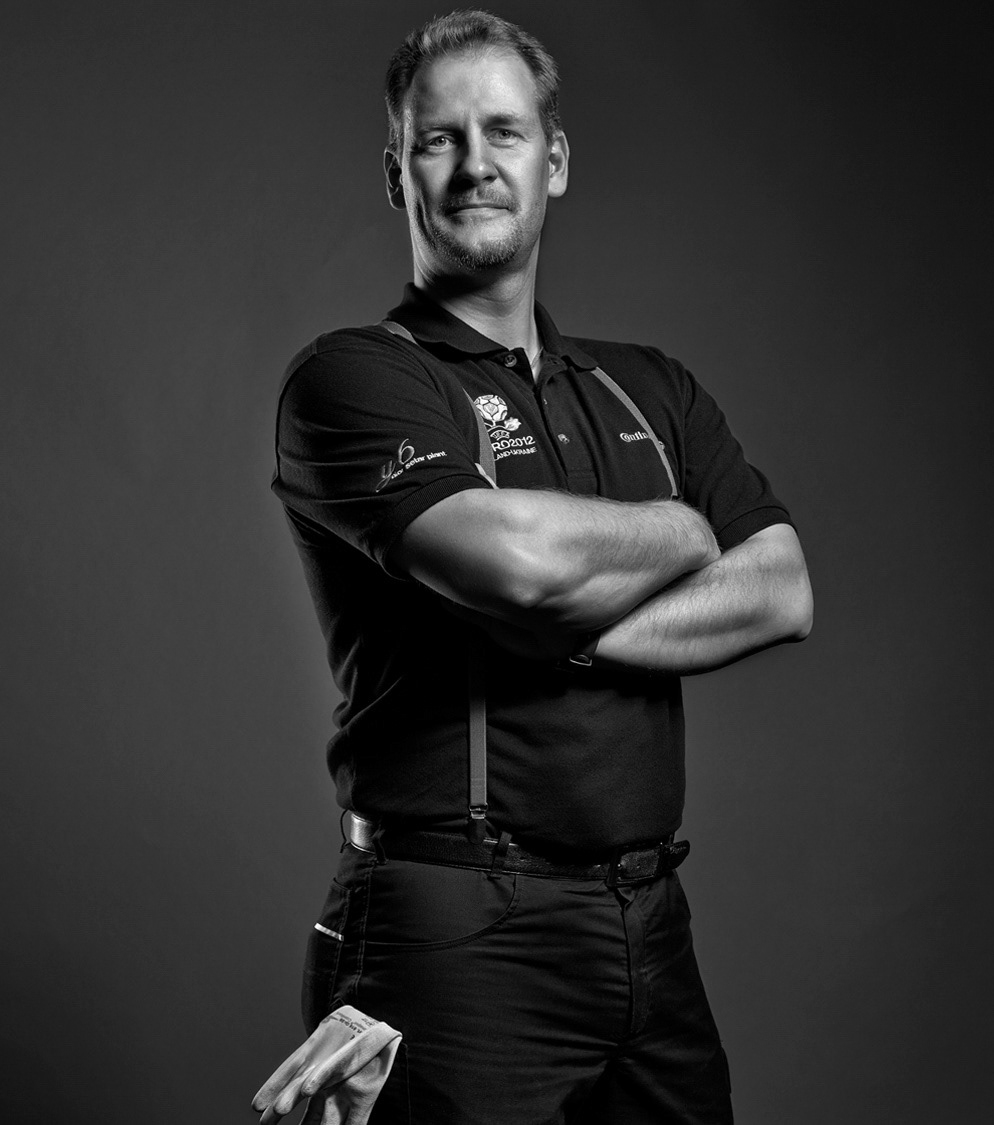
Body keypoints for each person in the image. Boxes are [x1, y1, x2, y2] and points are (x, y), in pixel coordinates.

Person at [266, 10, 813, 1123]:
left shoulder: (648, 387)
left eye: (504, 132)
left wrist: (564, 617)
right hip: (453, 925)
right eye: (439, 139)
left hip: (649, 921)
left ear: (552, 160)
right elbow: (513, 564)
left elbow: (780, 588)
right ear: (398, 173)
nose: (475, 164)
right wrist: (682, 531)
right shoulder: (354, 380)